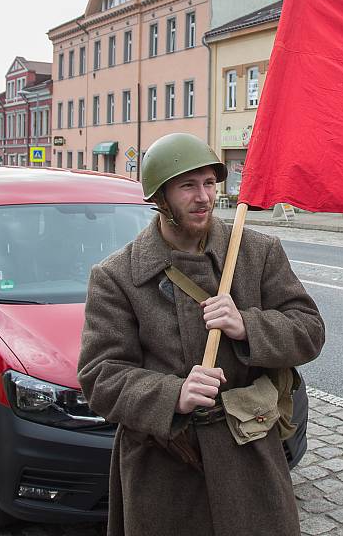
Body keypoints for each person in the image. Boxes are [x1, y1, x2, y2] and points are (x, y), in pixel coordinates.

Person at [78, 132, 325, 536]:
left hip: (250, 460)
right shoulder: (116, 277)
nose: (204, 197)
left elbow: (310, 330)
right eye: (187, 186)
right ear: (160, 197)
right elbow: (100, 376)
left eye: (209, 183)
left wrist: (248, 325)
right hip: (163, 470)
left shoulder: (256, 252)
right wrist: (172, 394)